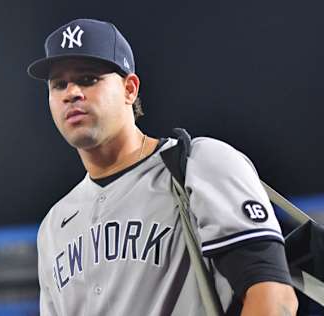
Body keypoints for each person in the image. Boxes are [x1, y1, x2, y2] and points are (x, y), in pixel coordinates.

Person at [27, 18, 298, 316]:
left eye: (89, 78)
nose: (72, 93)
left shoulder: (198, 164)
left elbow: (275, 300)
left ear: (130, 89)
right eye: (58, 84)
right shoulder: (54, 226)